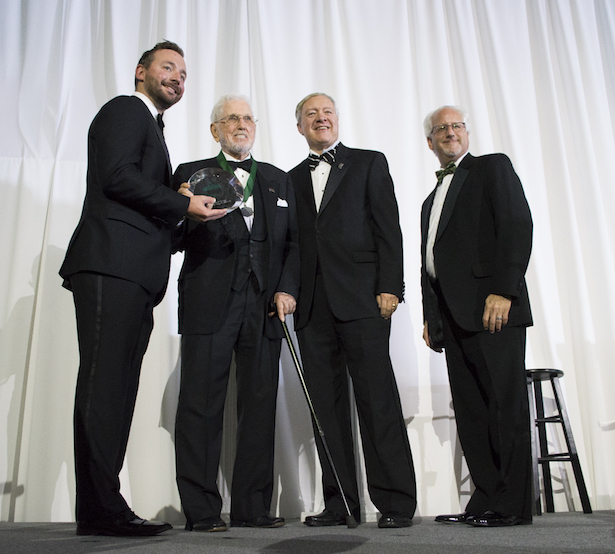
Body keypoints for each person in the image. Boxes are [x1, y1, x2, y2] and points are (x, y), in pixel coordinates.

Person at [59, 41, 226, 537]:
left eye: (183, 72)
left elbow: (138, 196)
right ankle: (101, 508)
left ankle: (99, 508)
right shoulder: (127, 110)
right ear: (141, 72)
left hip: (134, 274)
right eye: (168, 67)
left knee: (117, 390)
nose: (177, 77)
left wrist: (185, 215)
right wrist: (181, 204)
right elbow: (116, 178)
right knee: (104, 386)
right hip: (111, 266)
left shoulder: (151, 125)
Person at [289, 93, 417, 529]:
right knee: (325, 409)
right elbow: (291, 245)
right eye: (312, 115)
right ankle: (339, 503)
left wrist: (390, 287)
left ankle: (396, 504)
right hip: (312, 308)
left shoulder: (369, 162)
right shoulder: (290, 178)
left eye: (327, 113)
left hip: (364, 300)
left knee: (377, 402)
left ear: (337, 121)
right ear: (300, 127)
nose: (321, 119)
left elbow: (389, 228)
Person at [173, 94, 300, 532]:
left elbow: (294, 244)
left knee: (260, 404)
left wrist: (286, 288)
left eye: (247, 118)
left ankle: (252, 507)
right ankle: (202, 511)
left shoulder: (279, 180)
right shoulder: (189, 174)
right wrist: (183, 211)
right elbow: (170, 235)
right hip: (209, 302)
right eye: (231, 118)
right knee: (199, 405)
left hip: (263, 305)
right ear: (215, 130)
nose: (241, 124)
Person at [420, 105, 534, 527]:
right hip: (453, 318)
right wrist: (432, 317)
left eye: (456, 126)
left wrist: (504, 291)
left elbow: (517, 224)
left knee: (504, 407)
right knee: (471, 411)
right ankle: (484, 500)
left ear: (466, 133)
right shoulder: (430, 199)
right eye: (441, 129)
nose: (450, 132)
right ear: (429, 142)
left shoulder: (491, 168)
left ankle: (512, 506)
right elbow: (428, 263)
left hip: (493, 310)